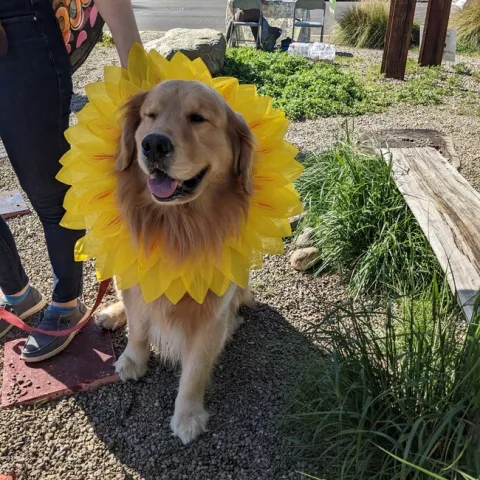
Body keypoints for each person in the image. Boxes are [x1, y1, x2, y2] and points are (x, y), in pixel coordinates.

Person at [0, 0, 141, 362]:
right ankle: (18, 294)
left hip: (21, 30)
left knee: (47, 189)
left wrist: (134, 65)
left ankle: (67, 300)